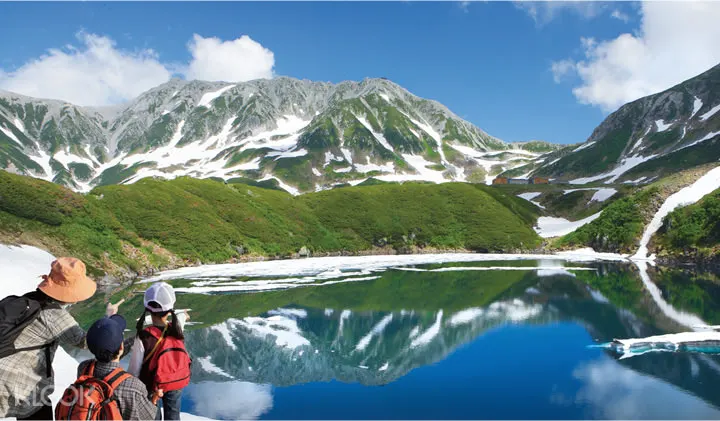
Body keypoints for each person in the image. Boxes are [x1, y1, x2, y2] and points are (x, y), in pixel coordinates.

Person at [0, 257, 121, 420]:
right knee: (39, 411)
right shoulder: (55, 316)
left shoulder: (29, 299)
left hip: (5, 369)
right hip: (16, 382)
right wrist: (110, 318)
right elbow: (88, 342)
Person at [56, 314, 162, 420]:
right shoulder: (133, 386)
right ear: (121, 347)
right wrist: (154, 399)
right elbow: (147, 418)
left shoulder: (84, 368)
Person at [129, 282, 191, 421]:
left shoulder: (144, 336)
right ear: (170, 310)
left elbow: (134, 371)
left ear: (148, 309)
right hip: (175, 379)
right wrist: (183, 315)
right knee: (173, 414)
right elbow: (180, 319)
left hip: (152, 385)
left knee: (152, 415)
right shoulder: (176, 328)